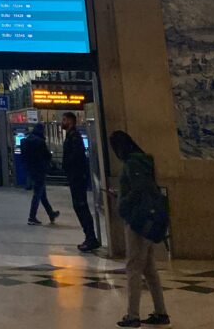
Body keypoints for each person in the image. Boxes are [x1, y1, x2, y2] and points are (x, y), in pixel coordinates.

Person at [110, 131, 170, 328]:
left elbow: (137, 191)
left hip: (138, 221)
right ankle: (161, 312)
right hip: (149, 219)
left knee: (134, 267)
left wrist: (122, 204)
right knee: (149, 268)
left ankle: (132, 315)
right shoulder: (144, 162)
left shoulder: (132, 164)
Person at [61, 112, 100, 251]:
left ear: (71, 121)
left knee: (81, 206)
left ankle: (91, 238)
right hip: (75, 177)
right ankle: (90, 237)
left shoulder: (74, 137)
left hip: (77, 177)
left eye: (64, 119)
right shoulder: (72, 136)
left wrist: (69, 168)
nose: (62, 122)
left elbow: (76, 157)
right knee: (79, 206)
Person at [20, 123, 59, 226]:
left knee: (42, 195)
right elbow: (46, 156)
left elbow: (23, 156)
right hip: (39, 171)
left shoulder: (26, 140)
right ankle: (31, 217)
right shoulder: (40, 142)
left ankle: (51, 214)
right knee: (37, 195)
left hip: (30, 170)